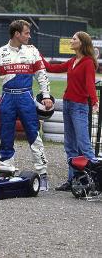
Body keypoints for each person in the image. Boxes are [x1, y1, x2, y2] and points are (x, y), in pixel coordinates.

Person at [0, 19, 54, 191]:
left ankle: (42, 174)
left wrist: (46, 96)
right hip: (7, 98)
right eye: (26, 33)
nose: (29, 36)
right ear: (17, 34)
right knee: (6, 135)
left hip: (26, 97)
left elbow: (41, 75)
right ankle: (6, 171)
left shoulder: (32, 51)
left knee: (33, 134)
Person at [41, 31, 100, 191]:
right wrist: (37, 55)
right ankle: (72, 180)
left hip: (79, 106)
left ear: (82, 43)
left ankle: (96, 180)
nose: (71, 41)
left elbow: (90, 84)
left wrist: (94, 101)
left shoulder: (88, 62)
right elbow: (51, 68)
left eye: (74, 39)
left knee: (84, 145)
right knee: (70, 145)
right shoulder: (73, 60)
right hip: (67, 104)